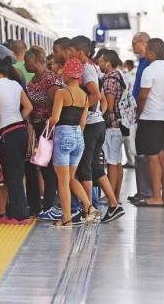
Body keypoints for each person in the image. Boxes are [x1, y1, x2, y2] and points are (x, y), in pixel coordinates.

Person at [68, 36, 121, 217]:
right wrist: (99, 115)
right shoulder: (93, 68)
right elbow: (103, 100)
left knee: (85, 169)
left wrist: (81, 113)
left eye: (71, 52)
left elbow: (96, 95)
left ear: (80, 52)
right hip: (97, 124)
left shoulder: (87, 70)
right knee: (96, 168)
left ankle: (87, 209)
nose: (69, 56)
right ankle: (114, 205)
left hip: (90, 127)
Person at [48, 58, 101, 227]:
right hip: (79, 136)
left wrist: (48, 125)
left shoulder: (61, 93)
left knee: (63, 181)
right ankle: (89, 207)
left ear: (67, 74)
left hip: (63, 135)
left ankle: (67, 219)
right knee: (70, 177)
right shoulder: (85, 96)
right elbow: (83, 123)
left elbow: (55, 119)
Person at [0, 57, 33, 224]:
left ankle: (21, 215)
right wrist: (18, 121)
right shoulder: (15, 85)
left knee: (12, 175)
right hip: (21, 131)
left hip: (8, 135)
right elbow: (29, 107)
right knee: (16, 173)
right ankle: (12, 212)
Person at [134, 38, 164, 207]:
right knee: (163, 158)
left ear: (152, 53)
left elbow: (143, 96)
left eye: (146, 51)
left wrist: (138, 113)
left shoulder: (149, 70)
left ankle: (155, 196)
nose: (144, 54)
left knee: (153, 159)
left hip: (151, 118)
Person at [24, 46, 63, 220]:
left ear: (36, 61)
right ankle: (36, 205)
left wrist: (48, 127)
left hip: (47, 128)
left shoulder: (50, 80)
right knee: (34, 166)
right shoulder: (32, 81)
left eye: (27, 61)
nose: (25, 65)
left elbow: (57, 105)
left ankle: (49, 205)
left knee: (47, 169)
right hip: (35, 128)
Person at [98, 50, 128, 220]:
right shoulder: (120, 77)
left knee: (111, 162)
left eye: (101, 61)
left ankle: (113, 199)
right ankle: (114, 196)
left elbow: (108, 106)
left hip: (111, 126)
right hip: (119, 125)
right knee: (117, 162)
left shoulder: (109, 80)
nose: (100, 64)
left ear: (107, 62)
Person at [128, 32, 153, 203]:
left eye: (134, 43)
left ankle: (146, 191)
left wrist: (138, 111)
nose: (133, 47)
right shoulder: (142, 63)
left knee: (144, 153)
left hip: (145, 113)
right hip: (140, 112)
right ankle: (142, 190)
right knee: (139, 152)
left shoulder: (149, 64)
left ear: (143, 42)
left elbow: (144, 92)